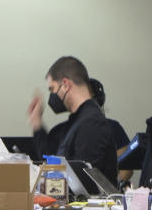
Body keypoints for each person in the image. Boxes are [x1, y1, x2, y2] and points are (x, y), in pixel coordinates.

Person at [27, 55, 118, 184]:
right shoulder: (75, 122)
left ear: (65, 85)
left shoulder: (92, 123)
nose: (52, 95)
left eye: (52, 89)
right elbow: (53, 162)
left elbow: (82, 180)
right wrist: (37, 124)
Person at [88, 77, 132, 184]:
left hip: (106, 193)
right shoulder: (69, 129)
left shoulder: (112, 127)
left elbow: (126, 167)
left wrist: (112, 189)